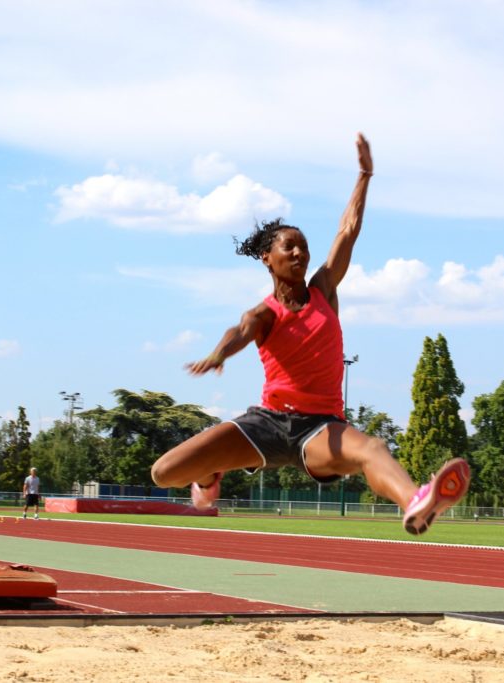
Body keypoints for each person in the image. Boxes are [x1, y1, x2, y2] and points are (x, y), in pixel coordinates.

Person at [151, 133, 470, 535]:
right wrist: (219, 355)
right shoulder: (263, 313)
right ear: (268, 258)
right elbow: (241, 330)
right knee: (164, 472)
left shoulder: (324, 291)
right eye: (290, 247)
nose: (300, 253)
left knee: (371, 449)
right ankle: (209, 473)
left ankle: (417, 504)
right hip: (266, 424)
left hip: (320, 427)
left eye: (303, 247)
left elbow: (348, 229)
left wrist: (365, 175)